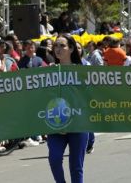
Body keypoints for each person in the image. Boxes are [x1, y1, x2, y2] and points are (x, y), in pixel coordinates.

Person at [47, 34, 89, 183]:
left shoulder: (82, 71)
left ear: (71, 49)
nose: (57, 49)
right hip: (56, 124)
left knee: (76, 167)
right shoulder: (48, 71)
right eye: (55, 46)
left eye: (62, 46)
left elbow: (88, 97)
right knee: (54, 159)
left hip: (78, 124)